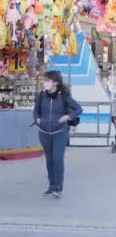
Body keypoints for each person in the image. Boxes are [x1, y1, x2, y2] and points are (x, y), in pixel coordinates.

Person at [33, 71, 83, 199]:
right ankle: (51, 186)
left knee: (57, 159)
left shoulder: (64, 97)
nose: (45, 83)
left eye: (48, 81)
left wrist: (67, 116)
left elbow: (79, 109)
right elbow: (35, 111)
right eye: (45, 80)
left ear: (55, 83)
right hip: (44, 132)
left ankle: (58, 188)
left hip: (60, 132)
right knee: (49, 160)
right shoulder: (41, 96)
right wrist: (37, 119)